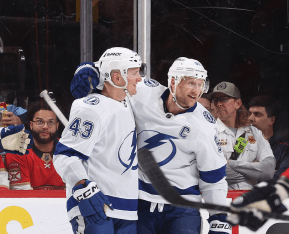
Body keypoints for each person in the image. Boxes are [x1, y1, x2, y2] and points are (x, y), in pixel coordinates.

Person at [71, 57, 230, 234]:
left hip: (182, 210)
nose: (197, 91)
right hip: (141, 203)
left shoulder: (205, 126)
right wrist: (91, 70)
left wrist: (219, 218)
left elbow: (214, 179)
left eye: (201, 84)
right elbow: (117, 76)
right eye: (191, 83)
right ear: (173, 81)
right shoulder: (143, 92)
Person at [53, 47, 143, 233]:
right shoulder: (91, 108)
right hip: (95, 204)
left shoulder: (131, 101)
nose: (140, 78)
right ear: (117, 78)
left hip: (126, 209)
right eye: (135, 73)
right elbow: (65, 155)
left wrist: (91, 67)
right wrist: (82, 186)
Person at [208, 82, 275, 190]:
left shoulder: (254, 132)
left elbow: (268, 171)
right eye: (215, 100)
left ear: (238, 103)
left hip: (247, 199)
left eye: (224, 99)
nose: (219, 104)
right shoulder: (208, 132)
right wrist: (253, 170)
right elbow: (212, 172)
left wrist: (231, 164)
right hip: (218, 199)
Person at [0, 99, 64, 190]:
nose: (45, 126)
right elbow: (23, 196)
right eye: (40, 122)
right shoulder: (17, 151)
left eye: (50, 122)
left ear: (57, 126)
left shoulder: (69, 150)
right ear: (31, 124)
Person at [248, 95, 289, 181]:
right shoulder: (237, 145)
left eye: (257, 115)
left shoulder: (285, 150)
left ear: (271, 120)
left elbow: (280, 180)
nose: (250, 118)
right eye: (249, 114)